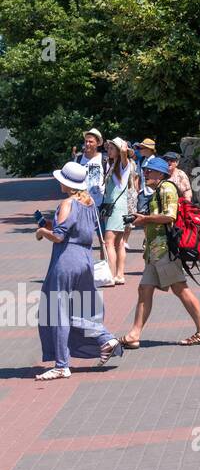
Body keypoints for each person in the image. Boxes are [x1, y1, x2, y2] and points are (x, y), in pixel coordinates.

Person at [34, 162, 123, 379]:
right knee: (73, 309)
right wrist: (50, 223)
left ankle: (62, 364)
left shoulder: (67, 203)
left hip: (66, 259)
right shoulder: (89, 202)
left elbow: (60, 235)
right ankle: (104, 338)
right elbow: (81, 228)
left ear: (66, 182)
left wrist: (42, 231)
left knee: (54, 310)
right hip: (84, 259)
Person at [121, 157, 200, 347]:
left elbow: (169, 216)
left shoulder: (166, 189)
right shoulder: (158, 191)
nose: (145, 174)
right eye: (145, 171)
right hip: (155, 250)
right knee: (144, 289)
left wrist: (145, 219)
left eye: (149, 171)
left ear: (160, 174)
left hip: (165, 249)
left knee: (180, 288)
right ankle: (134, 335)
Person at [101, 137, 135, 285]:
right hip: (116, 206)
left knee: (108, 242)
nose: (108, 150)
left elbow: (124, 159)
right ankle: (119, 275)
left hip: (115, 207)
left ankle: (111, 275)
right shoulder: (112, 164)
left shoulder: (122, 164)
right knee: (119, 243)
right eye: (108, 148)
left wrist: (123, 152)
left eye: (111, 148)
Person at [72, 128, 106, 210]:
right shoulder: (78, 159)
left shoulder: (104, 159)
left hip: (98, 205)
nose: (87, 144)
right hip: (81, 204)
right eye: (86, 141)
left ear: (98, 143)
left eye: (90, 141)